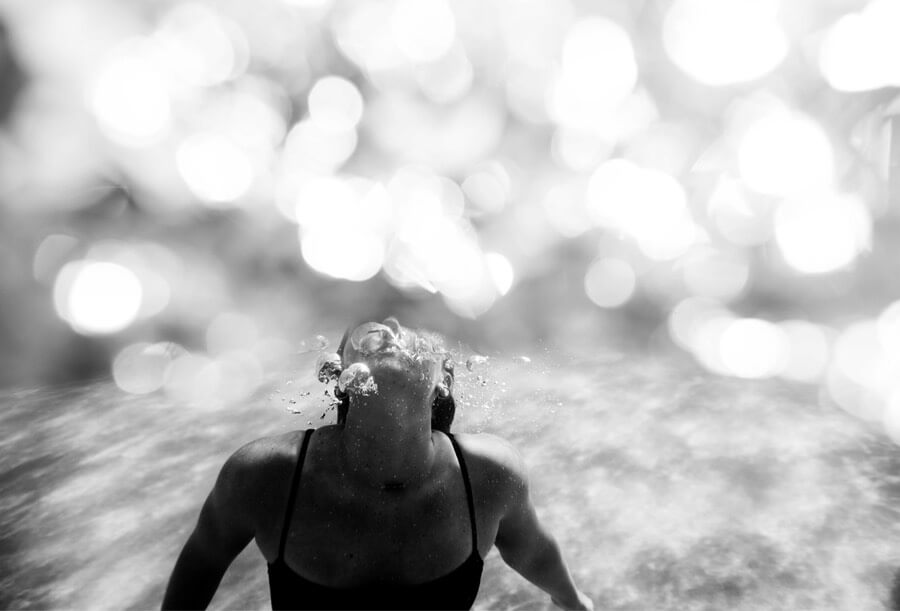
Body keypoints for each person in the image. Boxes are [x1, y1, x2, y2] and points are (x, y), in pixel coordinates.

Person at [162, 317, 593, 610]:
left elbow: (531, 547)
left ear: (443, 378)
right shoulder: (263, 474)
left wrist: (573, 602)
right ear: (339, 370)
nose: (389, 328)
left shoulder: (489, 474)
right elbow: (204, 555)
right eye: (369, 322)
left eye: (407, 322)